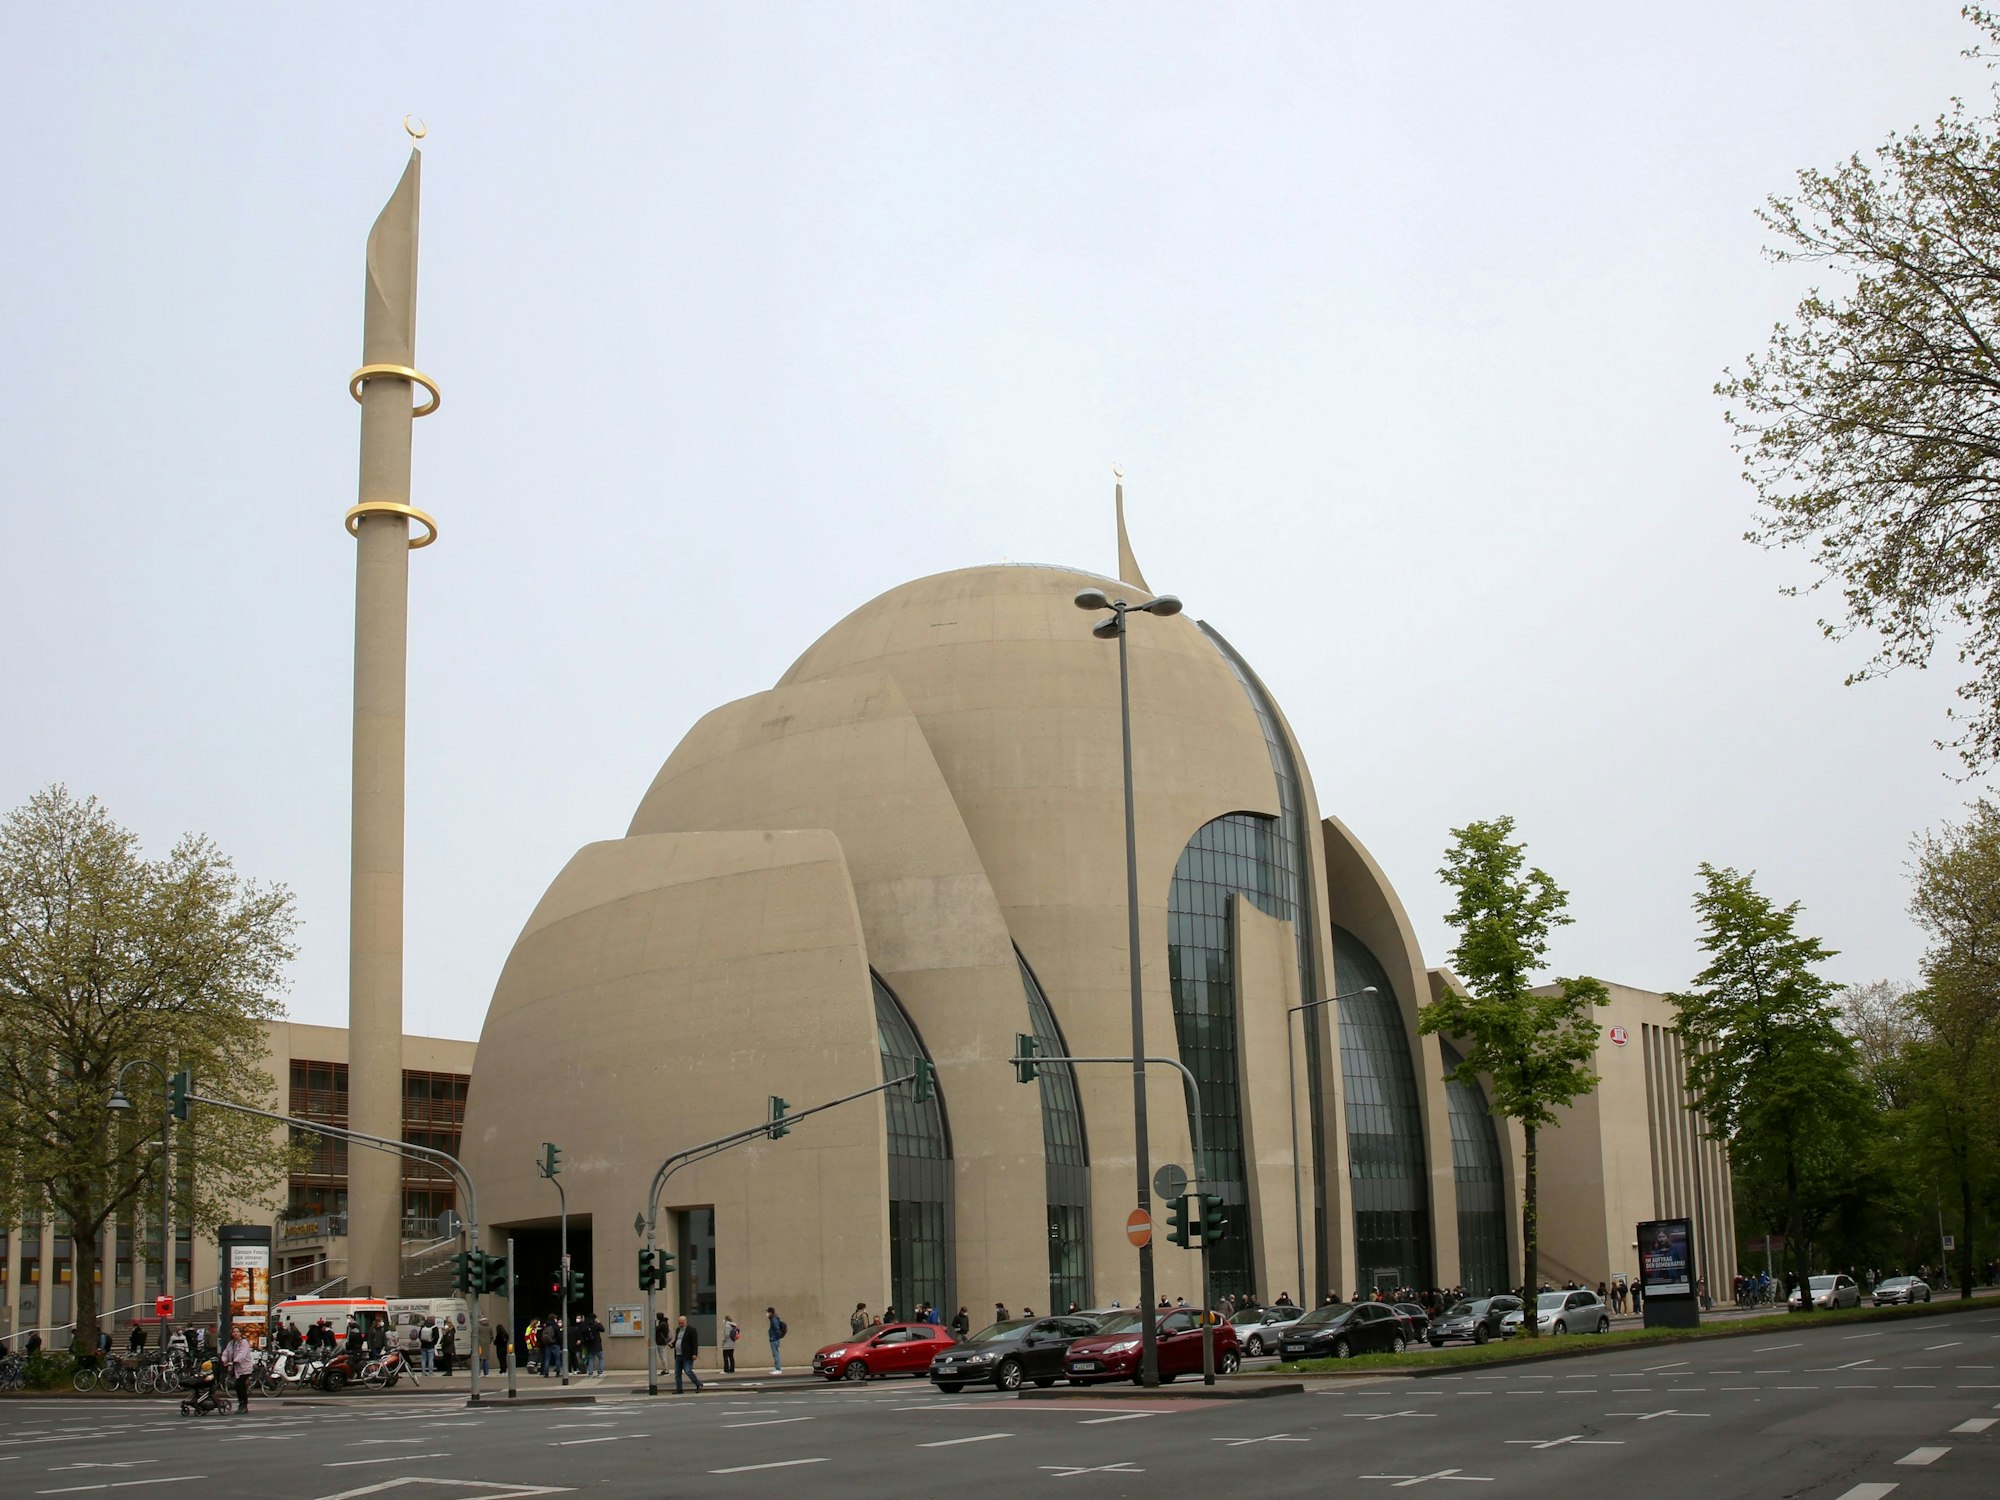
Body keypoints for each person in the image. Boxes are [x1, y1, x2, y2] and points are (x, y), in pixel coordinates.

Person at [220, 1326, 255, 1413]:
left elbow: (242, 1355)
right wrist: (224, 1360)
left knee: (240, 1385)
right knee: (237, 1386)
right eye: (234, 1332)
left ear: (240, 1333)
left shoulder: (244, 1342)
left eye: (237, 1331)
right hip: (236, 1369)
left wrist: (234, 1361)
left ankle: (244, 1405)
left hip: (245, 1367)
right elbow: (226, 1353)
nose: (235, 1333)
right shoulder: (231, 1343)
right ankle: (241, 1403)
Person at [673, 1315, 703, 1394]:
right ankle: (679, 1389)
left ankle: (698, 1384)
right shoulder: (678, 1330)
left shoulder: (691, 1330)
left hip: (687, 1355)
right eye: (679, 1323)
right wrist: (672, 1344)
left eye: (682, 1323)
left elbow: (694, 1343)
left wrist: (694, 1354)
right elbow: (677, 1340)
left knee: (688, 1371)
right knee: (677, 1373)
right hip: (678, 1354)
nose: (681, 1324)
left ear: (686, 1322)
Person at [653, 1312, 672, 1379]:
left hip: (661, 1342)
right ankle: (665, 1369)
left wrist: (654, 1321)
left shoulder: (662, 1324)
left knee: (663, 1357)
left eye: (657, 1316)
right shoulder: (664, 1323)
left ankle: (666, 1370)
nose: (656, 1317)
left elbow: (654, 1329)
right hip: (661, 1342)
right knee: (663, 1356)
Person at [766, 1307, 785, 1374]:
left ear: (771, 1312)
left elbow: (776, 1329)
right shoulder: (773, 1319)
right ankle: (776, 1368)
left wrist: (774, 1337)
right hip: (774, 1339)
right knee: (775, 1354)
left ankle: (778, 1369)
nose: (767, 1314)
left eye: (768, 1312)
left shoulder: (774, 1319)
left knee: (776, 1354)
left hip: (774, 1339)